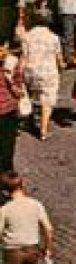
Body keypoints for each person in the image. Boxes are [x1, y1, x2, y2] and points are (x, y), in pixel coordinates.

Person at [0, 172, 53, 264]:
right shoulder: (36, 205)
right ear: (22, 186)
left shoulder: (5, 210)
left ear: (5, 192)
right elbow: (48, 229)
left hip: (12, 251)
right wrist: (48, 248)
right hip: (32, 249)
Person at [19, 23, 61, 141]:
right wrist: (61, 66)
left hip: (30, 70)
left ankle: (29, 120)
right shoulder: (54, 37)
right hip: (48, 71)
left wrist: (20, 74)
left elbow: (24, 56)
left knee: (30, 96)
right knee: (47, 100)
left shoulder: (27, 36)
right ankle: (43, 130)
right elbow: (59, 58)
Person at [0, 44, 24, 172]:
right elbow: (19, 88)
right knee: (6, 148)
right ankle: (7, 177)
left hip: (7, 108)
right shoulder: (11, 61)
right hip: (7, 109)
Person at [51, 0, 76, 65]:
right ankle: (69, 58)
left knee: (70, 35)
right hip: (67, 11)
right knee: (68, 35)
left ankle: (68, 52)